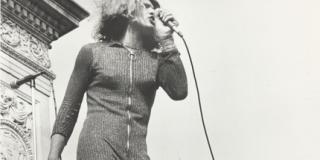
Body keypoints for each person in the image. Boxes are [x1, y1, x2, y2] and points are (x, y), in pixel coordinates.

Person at [48, 0, 188, 159]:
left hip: (138, 154)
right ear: (127, 8)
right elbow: (69, 106)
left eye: (155, 8)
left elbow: (179, 91)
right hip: (98, 148)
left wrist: (167, 40)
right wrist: (54, 153)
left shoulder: (156, 61)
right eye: (147, 5)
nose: (154, 12)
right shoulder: (92, 52)